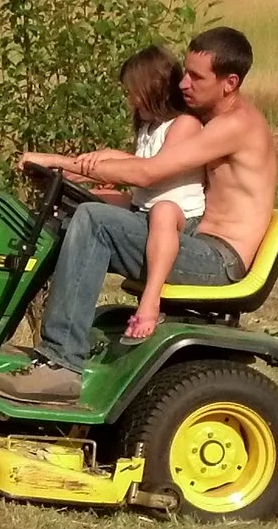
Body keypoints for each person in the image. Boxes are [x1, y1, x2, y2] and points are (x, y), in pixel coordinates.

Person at [0, 26, 278, 405]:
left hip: (217, 259)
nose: (184, 83)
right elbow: (148, 174)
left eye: (196, 76)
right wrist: (74, 175)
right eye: (185, 71)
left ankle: (62, 363)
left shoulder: (233, 126)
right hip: (191, 241)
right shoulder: (206, 122)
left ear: (230, 83)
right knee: (71, 213)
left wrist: (60, 162)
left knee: (94, 221)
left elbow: (148, 172)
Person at [65, 45, 205, 342]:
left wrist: (109, 162)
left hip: (181, 221)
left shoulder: (185, 125)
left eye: (133, 91)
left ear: (154, 88)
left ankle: (150, 301)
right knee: (85, 202)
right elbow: (137, 175)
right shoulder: (149, 128)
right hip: (144, 212)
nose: (130, 99)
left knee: (163, 210)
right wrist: (79, 171)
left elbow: (149, 171)